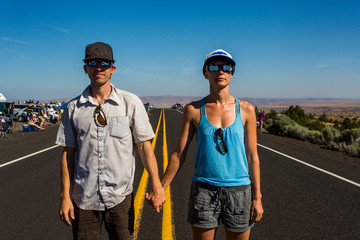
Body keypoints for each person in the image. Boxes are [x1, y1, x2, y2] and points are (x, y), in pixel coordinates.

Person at [148, 49, 263, 240]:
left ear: (232, 73)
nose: (220, 71)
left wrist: (257, 197)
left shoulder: (246, 110)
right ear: (205, 73)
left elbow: (253, 156)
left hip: (239, 191)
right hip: (204, 190)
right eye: (214, 67)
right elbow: (179, 153)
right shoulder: (193, 110)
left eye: (226, 67)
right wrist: (161, 187)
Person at [55, 42, 166, 240]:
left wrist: (156, 185)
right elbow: (68, 153)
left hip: (120, 198)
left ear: (113, 69)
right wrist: (65, 197)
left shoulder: (130, 102)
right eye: (92, 62)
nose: (98, 68)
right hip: (83, 199)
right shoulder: (73, 108)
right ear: (85, 68)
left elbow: (144, 146)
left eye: (104, 63)